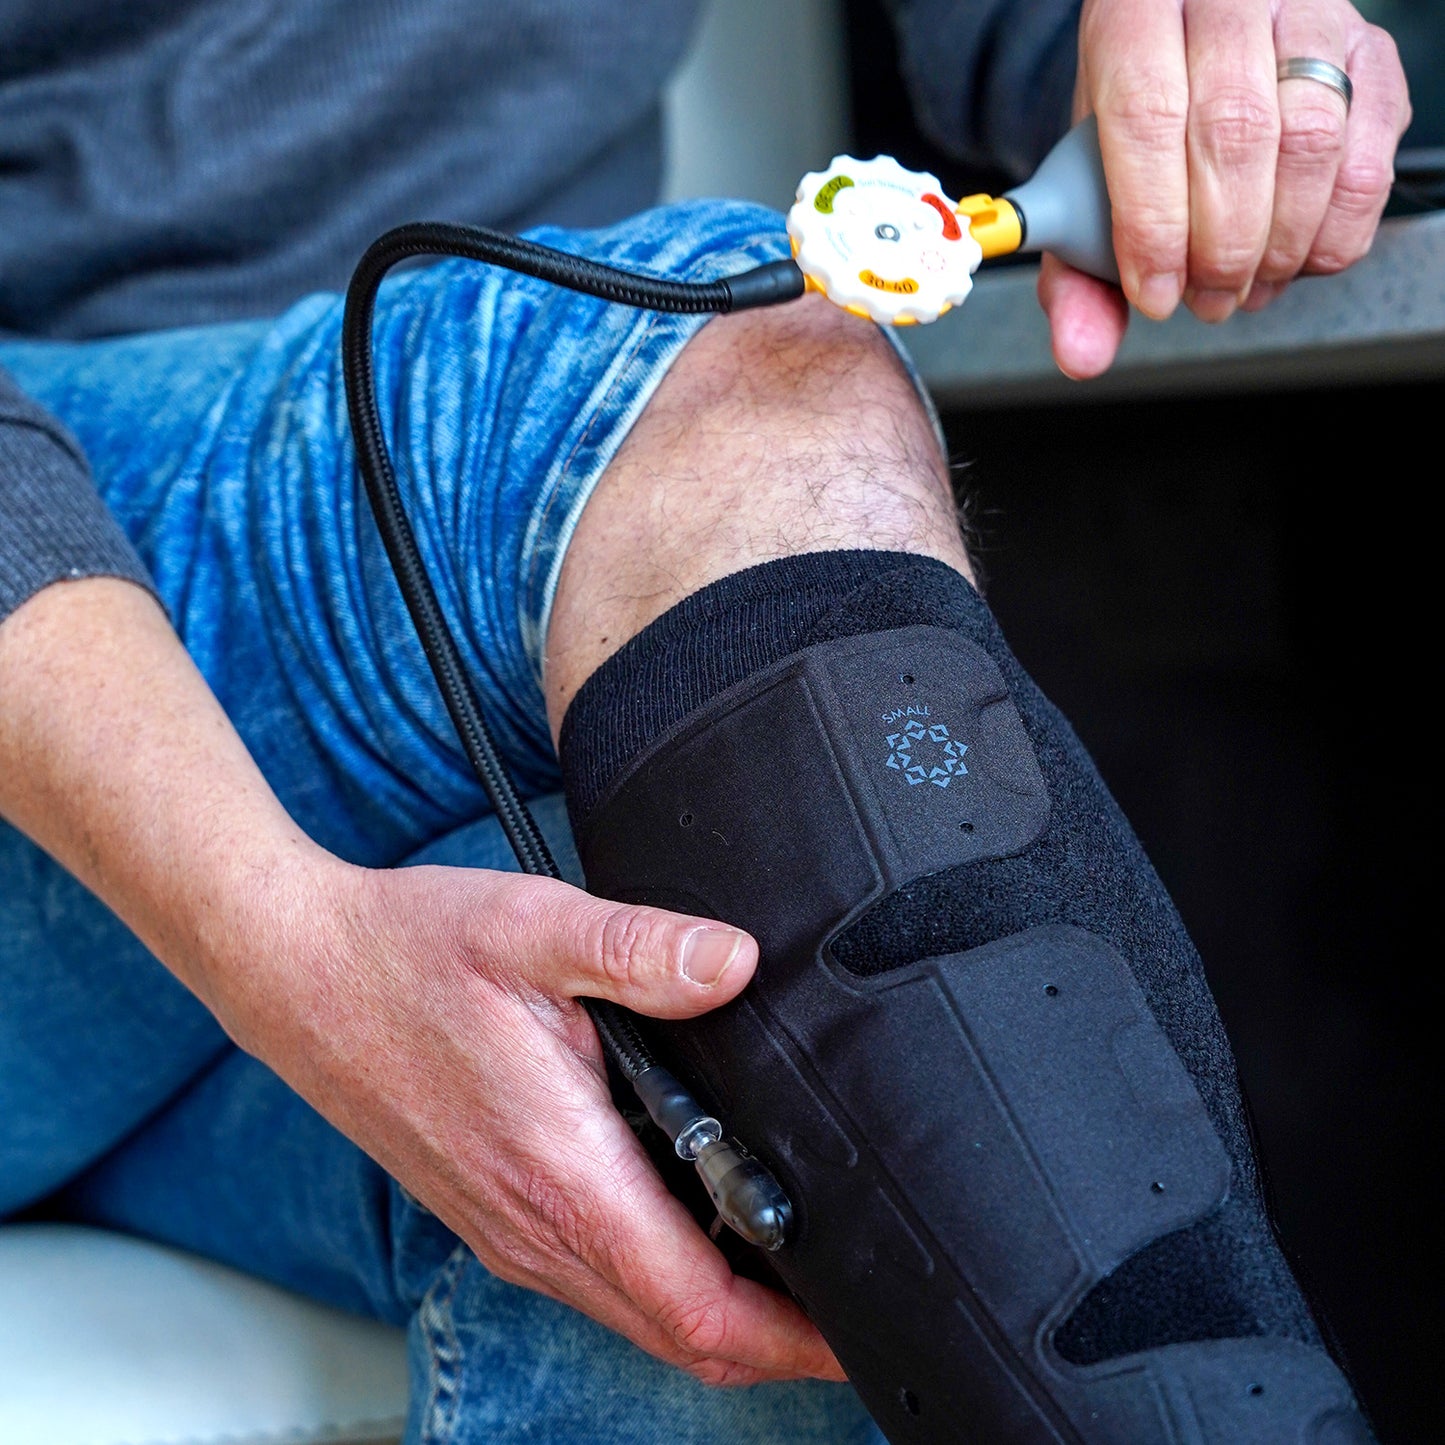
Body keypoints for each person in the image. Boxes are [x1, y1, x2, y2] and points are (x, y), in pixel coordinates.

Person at [0, 1, 1412, 1440]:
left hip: (307, 893)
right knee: (738, 359)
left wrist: (1210, 84)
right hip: (59, 688)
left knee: (781, 1167)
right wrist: (276, 937)